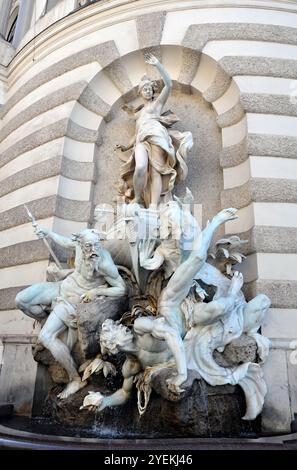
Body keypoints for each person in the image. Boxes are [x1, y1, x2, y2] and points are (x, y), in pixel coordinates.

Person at [16, 228, 127, 399]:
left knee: (45, 337)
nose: (93, 250)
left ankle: (75, 378)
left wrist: (97, 291)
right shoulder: (78, 244)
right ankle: (48, 320)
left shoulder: (104, 263)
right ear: (81, 244)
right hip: (63, 286)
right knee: (21, 300)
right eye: (89, 246)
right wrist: (49, 234)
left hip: (73, 301)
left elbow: (121, 289)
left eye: (96, 245)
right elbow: (65, 241)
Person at [116, 53, 192, 209]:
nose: (148, 91)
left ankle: (153, 205)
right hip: (141, 141)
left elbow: (169, 85)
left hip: (157, 137)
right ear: (140, 93)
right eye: (145, 89)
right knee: (140, 167)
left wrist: (158, 65)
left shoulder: (156, 105)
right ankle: (137, 197)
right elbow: (137, 134)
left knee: (157, 171)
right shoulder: (139, 114)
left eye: (150, 88)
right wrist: (126, 147)